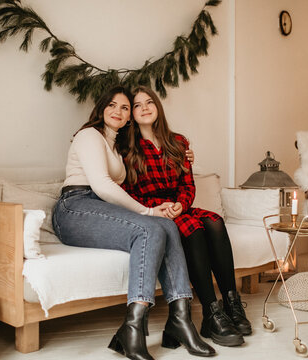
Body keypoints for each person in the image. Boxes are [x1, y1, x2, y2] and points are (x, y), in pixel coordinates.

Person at [52, 86, 215, 360]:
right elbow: (103, 186)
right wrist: (148, 212)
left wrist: (183, 160)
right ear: (102, 108)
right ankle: (133, 326)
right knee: (151, 227)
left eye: (125, 108)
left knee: (168, 225)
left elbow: (134, 184)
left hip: (100, 208)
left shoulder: (118, 146)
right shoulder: (89, 135)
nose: (118, 111)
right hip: (75, 207)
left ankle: (180, 318)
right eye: (112, 105)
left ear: (130, 117)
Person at [119, 86, 252, 347]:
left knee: (214, 221)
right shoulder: (126, 149)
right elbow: (126, 192)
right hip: (153, 211)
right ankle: (210, 313)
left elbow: (187, 184)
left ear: (157, 107)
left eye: (149, 102)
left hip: (179, 207)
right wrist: (160, 208)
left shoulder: (178, 142)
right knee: (194, 229)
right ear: (132, 114)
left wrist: (181, 203)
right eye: (137, 105)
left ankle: (232, 303)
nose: (144, 108)